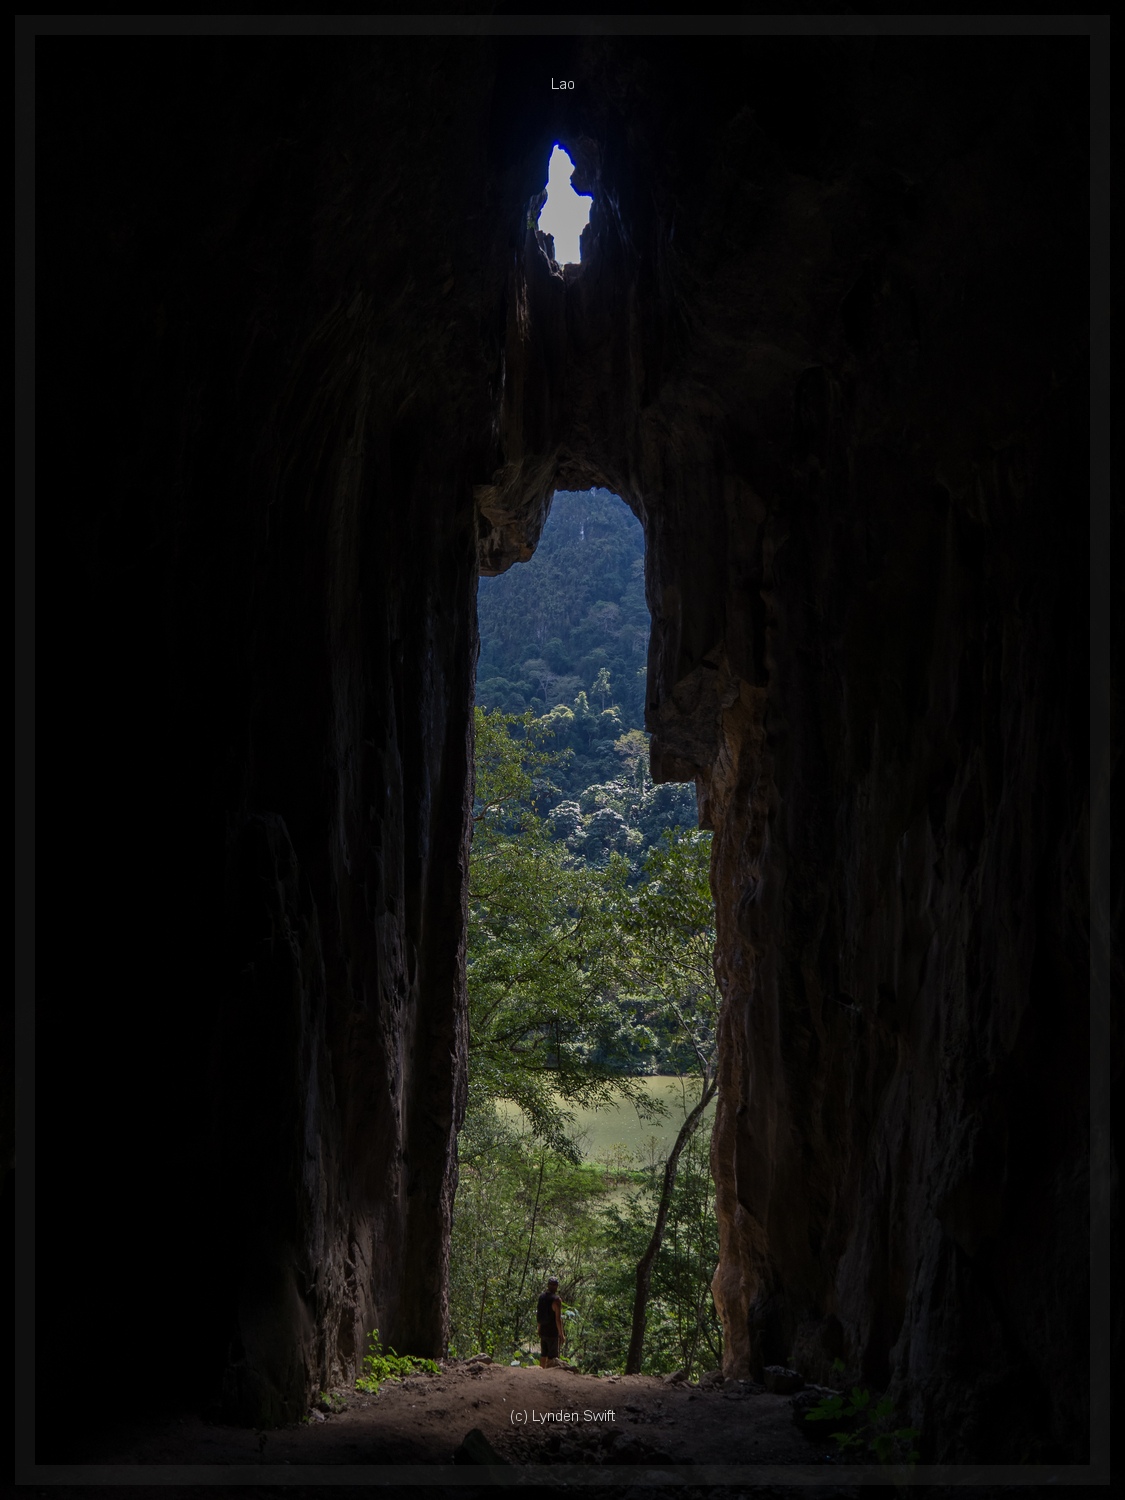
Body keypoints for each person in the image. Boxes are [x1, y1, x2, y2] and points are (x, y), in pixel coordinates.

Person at [536, 1276, 566, 1368]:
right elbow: (558, 1319)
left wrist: (539, 1329)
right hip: (552, 1332)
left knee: (543, 1354)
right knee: (552, 1357)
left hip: (543, 1330)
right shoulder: (556, 1300)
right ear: (557, 1287)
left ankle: (541, 1371)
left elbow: (539, 1315)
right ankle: (549, 1374)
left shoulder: (541, 1297)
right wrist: (561, 1334)